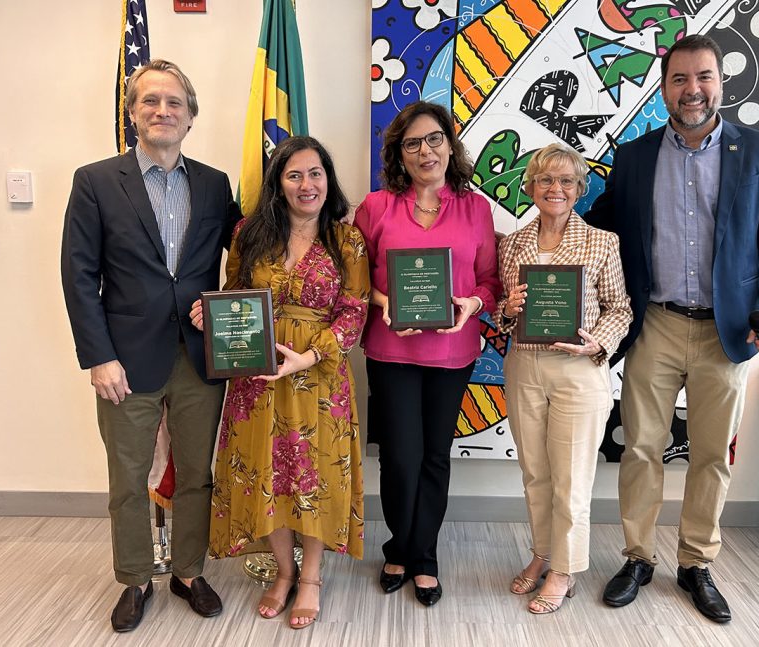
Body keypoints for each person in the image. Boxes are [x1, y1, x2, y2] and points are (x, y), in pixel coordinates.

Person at [584, 34, 759, 623]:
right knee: (641, 450)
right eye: (680, 79)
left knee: (712, 455)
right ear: (664, 88)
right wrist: (535, 243)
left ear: (720, 83)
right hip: (652, 323)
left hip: (725, 333)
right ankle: (637, 558)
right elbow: (595, 231)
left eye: (703, 77)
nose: (692, 90)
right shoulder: (633, 157)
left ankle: (696, 564)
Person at [61, 59, 241, 632]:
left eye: (174, 104)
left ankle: (189, 570)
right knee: (128, 476)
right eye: (150, 102)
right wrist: (97, 357)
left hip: (199, 354)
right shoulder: (95, 180)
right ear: (133, 113)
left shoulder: (215, 184)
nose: (163, 111)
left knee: (196, 472)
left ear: (191, 118)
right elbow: (78, 273)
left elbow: (240, 259)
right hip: (124, 359)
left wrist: (220, 305)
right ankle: (136, 578)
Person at [190, 136, 369, 629]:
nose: (306, 184)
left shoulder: (347, 239)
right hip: (258, 376)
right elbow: (232, 295)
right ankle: (284, 573)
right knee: (266, 472)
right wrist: (212, 312)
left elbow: (353, 313)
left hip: (320, 376)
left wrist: (309, 356)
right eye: (294, 175)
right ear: (278, 183)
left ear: (327, 180)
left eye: (315, 174)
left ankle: (311, 577)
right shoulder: (249, 233)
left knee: (315, 474)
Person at [354, 101, 501, 606]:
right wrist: (384, 301)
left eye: (434, 139)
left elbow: (490, 281)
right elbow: (354, 279)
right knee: (399, 457)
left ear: (449, 143)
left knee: (435, 456)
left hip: (453, 351)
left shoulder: (475, 208)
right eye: (412, 143)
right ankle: (398, 545)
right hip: (390, 350)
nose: (425, 151)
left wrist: (474, 304)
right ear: (399, 152)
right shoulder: (375, 207)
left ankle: (424, 555)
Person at [495, 143, 632, 614]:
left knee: (572, 479)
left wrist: (597, 342)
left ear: (579, 190)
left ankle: (565, 571)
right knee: (536, 474)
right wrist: (507, 311)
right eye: (546, 180)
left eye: (566, 181)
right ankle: (542, 553)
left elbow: (621, 309)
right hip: (525, 369)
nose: (556, 189)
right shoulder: (511, 243)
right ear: (530, 187)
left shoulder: (601, 242)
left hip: (579, 371)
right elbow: (501, 313)